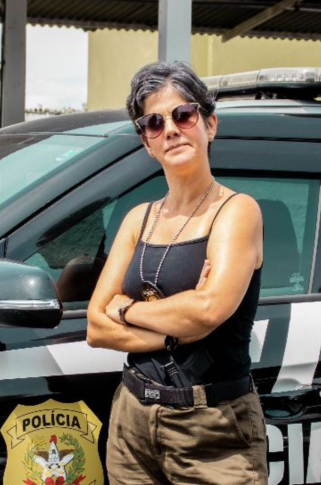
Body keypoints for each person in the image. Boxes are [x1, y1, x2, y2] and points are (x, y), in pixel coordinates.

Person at [86, 61, 267, 485]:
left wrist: (127, 309)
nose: (170, 129)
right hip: (131, 419)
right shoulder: (138, 218)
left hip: (213, 427)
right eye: (153, 122)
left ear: (210, 125)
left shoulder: (237, 211)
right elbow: (95, 326)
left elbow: (206, 311)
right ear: (147, 143)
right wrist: (175, 330)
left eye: (183, 115)